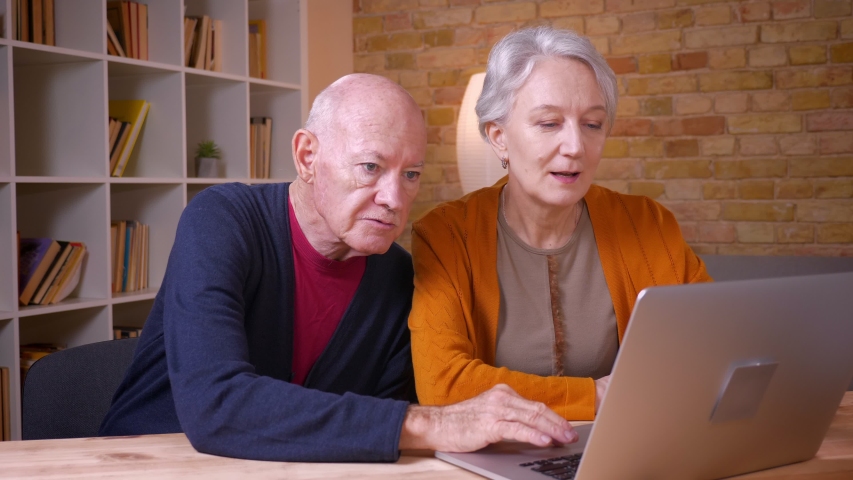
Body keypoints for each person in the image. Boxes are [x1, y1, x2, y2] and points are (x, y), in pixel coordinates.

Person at [99, 74, 578, 462]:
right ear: (308, 156)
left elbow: (378, 430)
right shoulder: (222, 221)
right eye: (371, 167)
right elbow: (217, 406)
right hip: (145, 465)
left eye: (410, 174)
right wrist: (432, 422)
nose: (394, 199)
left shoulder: (397, 280)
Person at [409, 27, 712, 421]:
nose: (575, 147)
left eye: (592, 124)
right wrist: (596, 397)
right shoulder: (446, 235)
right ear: (498, 137)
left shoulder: (648, 224)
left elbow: (707, 353)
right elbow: (443, 387)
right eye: (549, 123)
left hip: (624, 450)